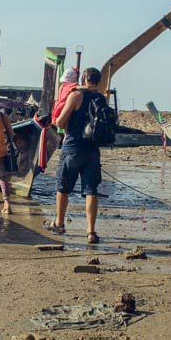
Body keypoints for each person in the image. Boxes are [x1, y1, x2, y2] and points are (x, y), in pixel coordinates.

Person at [48, 67, 105, 244]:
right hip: (93, 151)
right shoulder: (101, 99)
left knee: (63, 187)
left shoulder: (76, 95)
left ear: (83, 79)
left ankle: (59, 223)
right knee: (91, 190)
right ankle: (91, 231)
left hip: (72, 148)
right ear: (99, 81)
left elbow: (60, 121)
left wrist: (64, 124)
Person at [52, 67, 79, 134]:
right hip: (66, 111)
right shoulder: (73, 87)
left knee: (66, 133)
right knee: (67, 132)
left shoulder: (62, 87)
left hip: (58, 111)